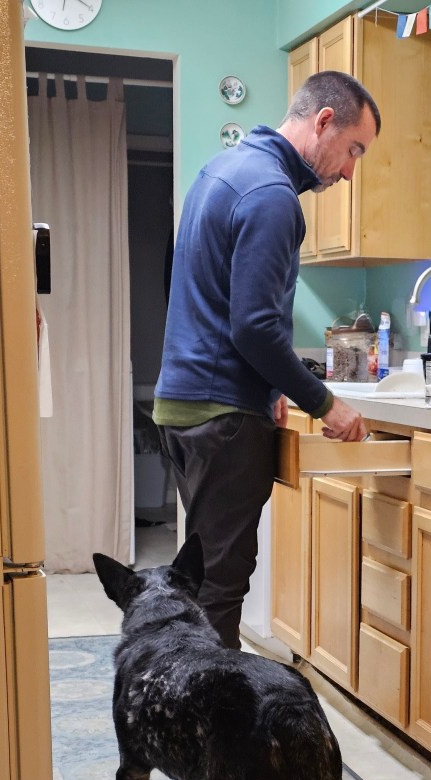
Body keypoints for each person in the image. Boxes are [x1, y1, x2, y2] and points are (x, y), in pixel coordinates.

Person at [153, 71, 380, 649]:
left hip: (181, 406)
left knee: (201, 578)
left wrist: (273, 386)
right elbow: (253, 326)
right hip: (223, 418)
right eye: (354, 150)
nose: (349, 172)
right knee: (220, 588)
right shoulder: (273, 196)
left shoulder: (219, 171)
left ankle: (191, 698)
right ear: (323, 121)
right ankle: (213, 707)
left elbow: (197, 292)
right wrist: (324, 403)